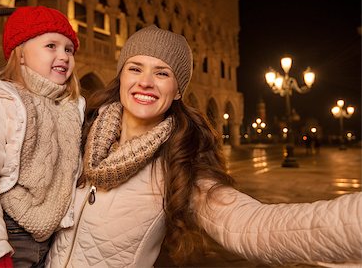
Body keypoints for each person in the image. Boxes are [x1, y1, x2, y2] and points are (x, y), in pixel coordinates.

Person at [47, 25, 361, 267]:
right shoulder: (78, 134)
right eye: (135, 68)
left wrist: (353, 223)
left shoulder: (178, 166)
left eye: (162, 73)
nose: (145, 82)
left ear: (178, 90)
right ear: (121, 77)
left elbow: (254, 228)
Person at [0, 6, 85, 268]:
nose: (63, 56)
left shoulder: (70, 109)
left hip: (55, 242)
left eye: (69, 49)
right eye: (51, 45)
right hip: (10, 238)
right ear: (20, 54)